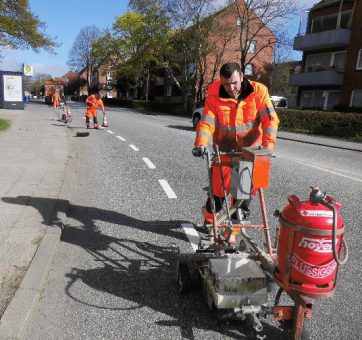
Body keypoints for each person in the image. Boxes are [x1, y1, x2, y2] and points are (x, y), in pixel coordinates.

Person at [192, 62, 279, 223]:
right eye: (226, 84)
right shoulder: (214, 92)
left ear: (241, 76)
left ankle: (231, 238)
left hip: (250, 153)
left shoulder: (259, 91)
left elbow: (270, 120)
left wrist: (267, 147)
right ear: (221, 81)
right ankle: (210, 224)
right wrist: (201, 144)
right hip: (223, 151)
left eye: (234, 83)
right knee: (216, 196)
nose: (231, 88)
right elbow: (207, 122)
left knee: (241, 202)